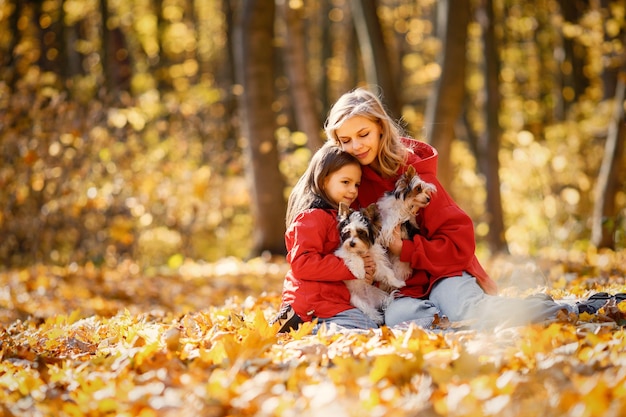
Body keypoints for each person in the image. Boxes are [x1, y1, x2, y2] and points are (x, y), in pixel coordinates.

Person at [323, 87, 620, 329]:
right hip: (401, 290)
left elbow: (460, 243)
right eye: (345, 140)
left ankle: (577, 308)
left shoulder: (415, 178)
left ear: (380, 129)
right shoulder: (346, 186)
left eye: (363, 134)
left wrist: (407, 249)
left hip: (443, 274)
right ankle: (512, 311)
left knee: (470, 311)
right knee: (404, 322)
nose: (357, 146)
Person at [272, 142, 381, 333]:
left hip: (333, 300)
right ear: (323, 181)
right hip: (313, 303)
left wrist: (365, 272)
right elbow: (303, 263)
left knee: (373, 322)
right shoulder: (312, 217)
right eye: (345, 182)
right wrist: (351, 266)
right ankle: (301, 326)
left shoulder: (340, 218)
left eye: (356, 184)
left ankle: (304, 325)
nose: (353, 190)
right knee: (366, 328)